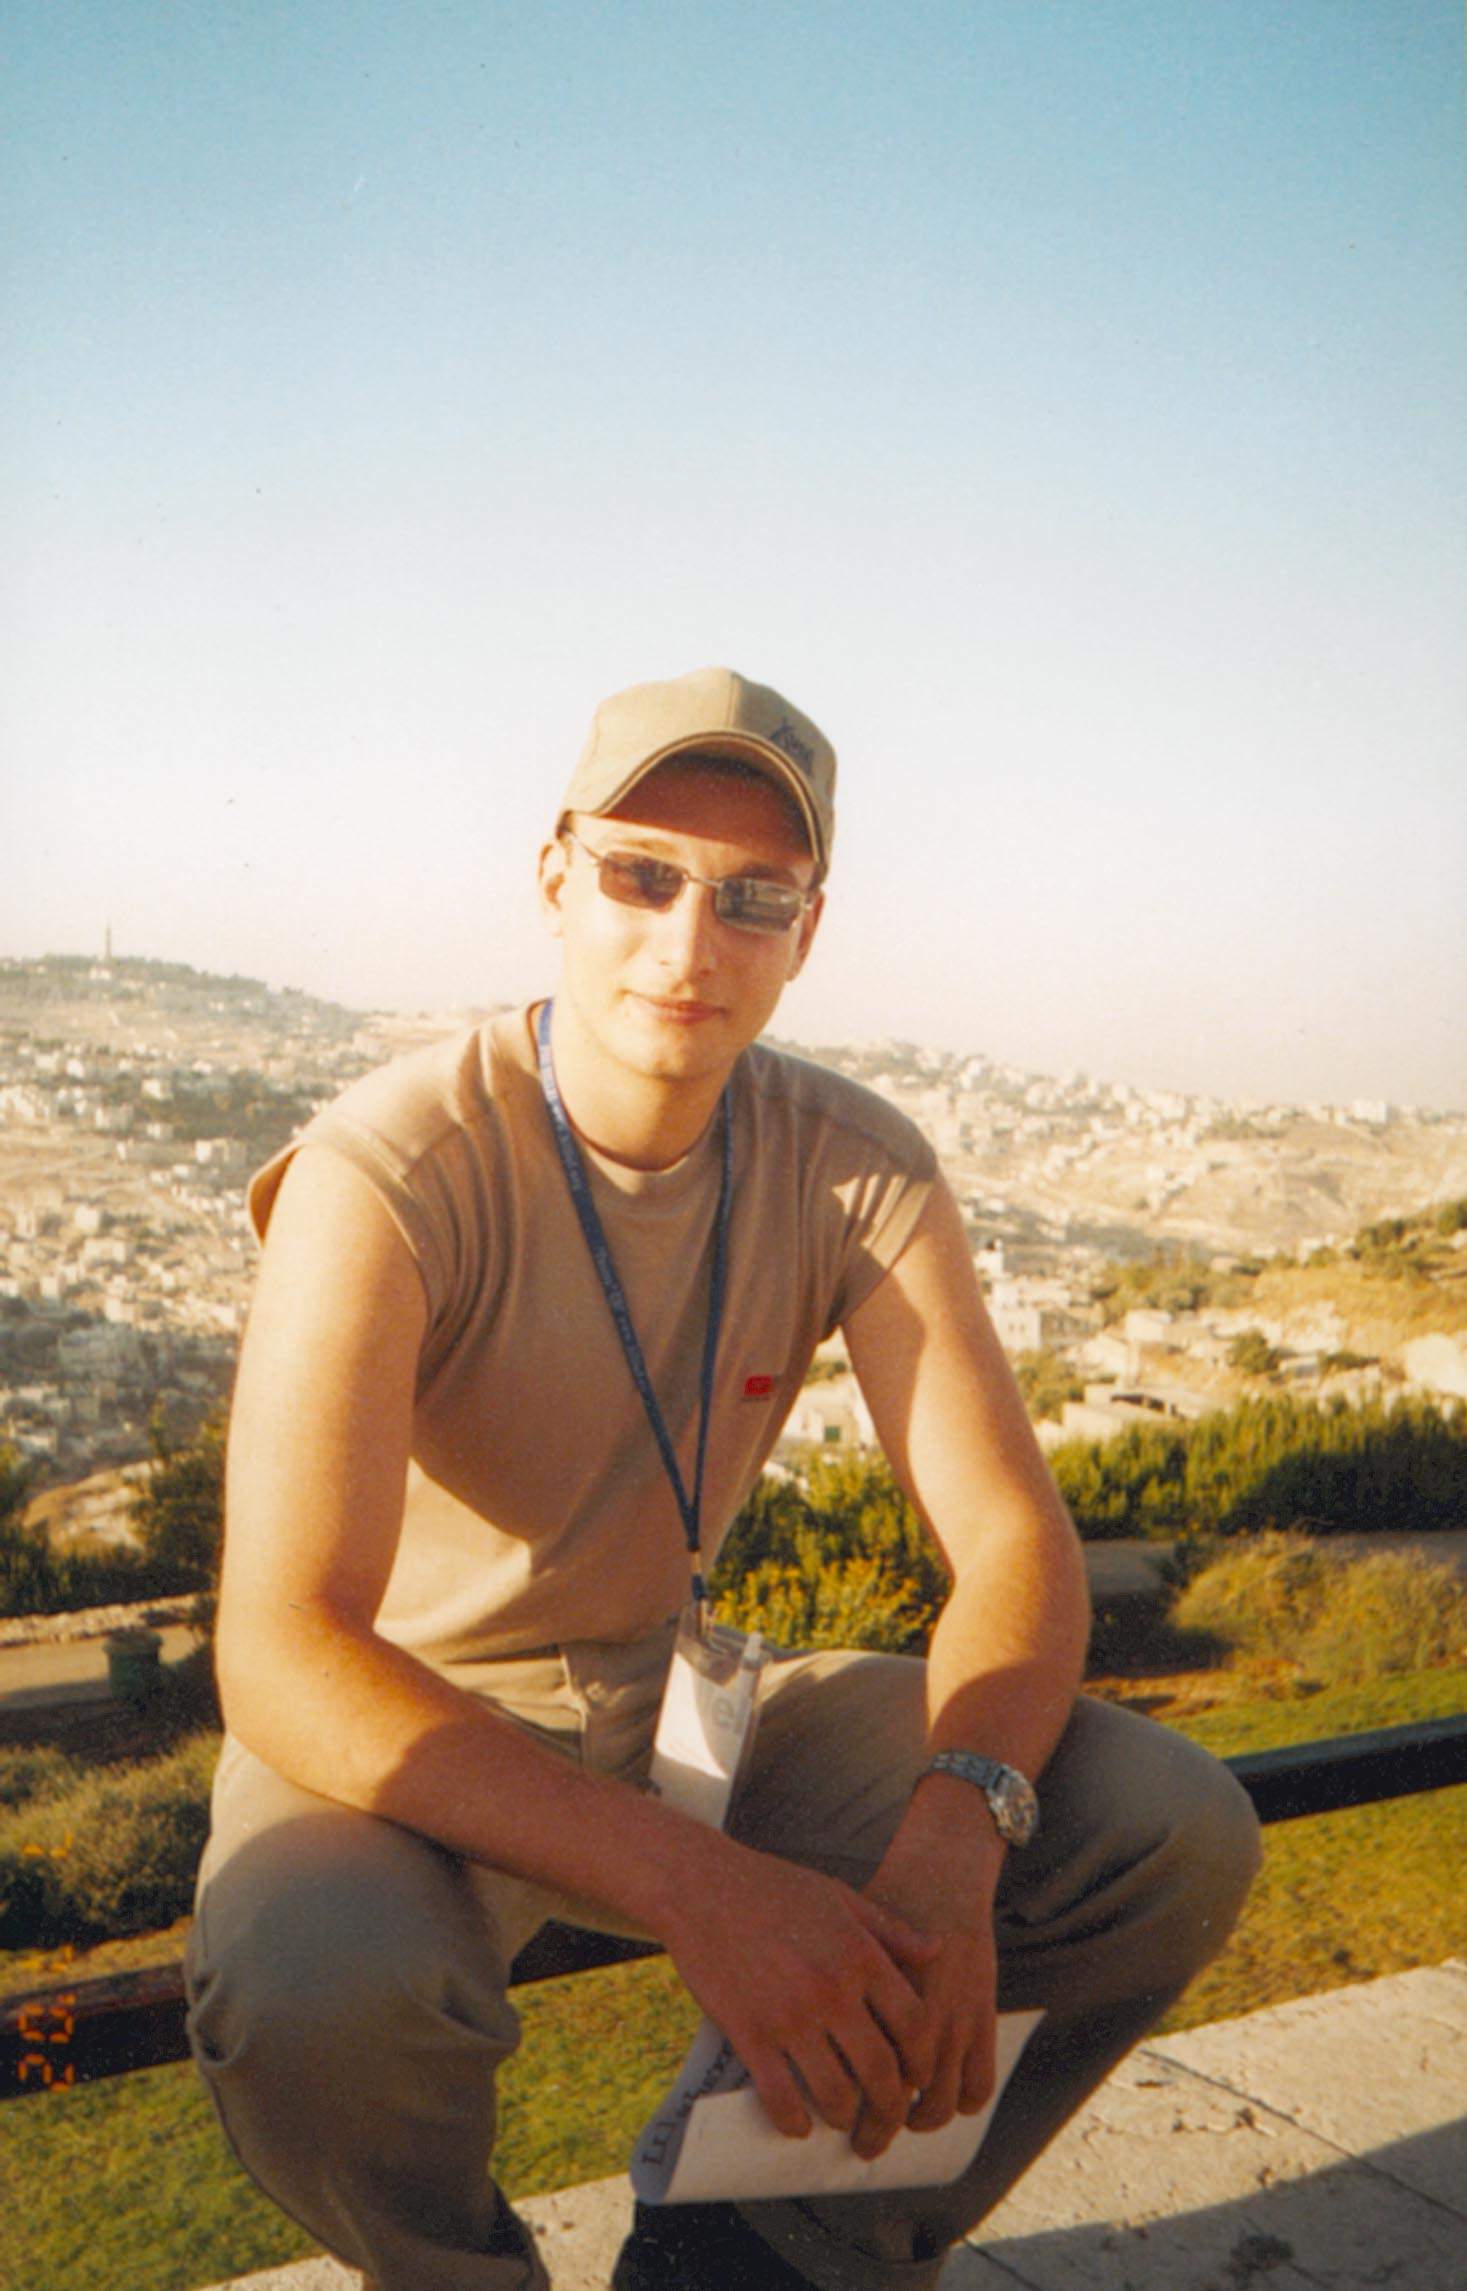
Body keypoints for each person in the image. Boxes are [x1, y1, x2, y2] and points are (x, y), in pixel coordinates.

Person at [185, 666, 1261, 2291]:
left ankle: (771, 2245)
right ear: (556, 877)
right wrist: (706, 1892)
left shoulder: (854, 1165)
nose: (691, 944)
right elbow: (280, 1648)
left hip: (671, 1699)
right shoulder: (390, 1167)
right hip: (404, 1736)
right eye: (643, 875)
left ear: (807, 932)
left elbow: (1011, 1547)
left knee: (1158, 1828)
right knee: (314, 1986)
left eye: (755, 896)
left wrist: (954, 1840)